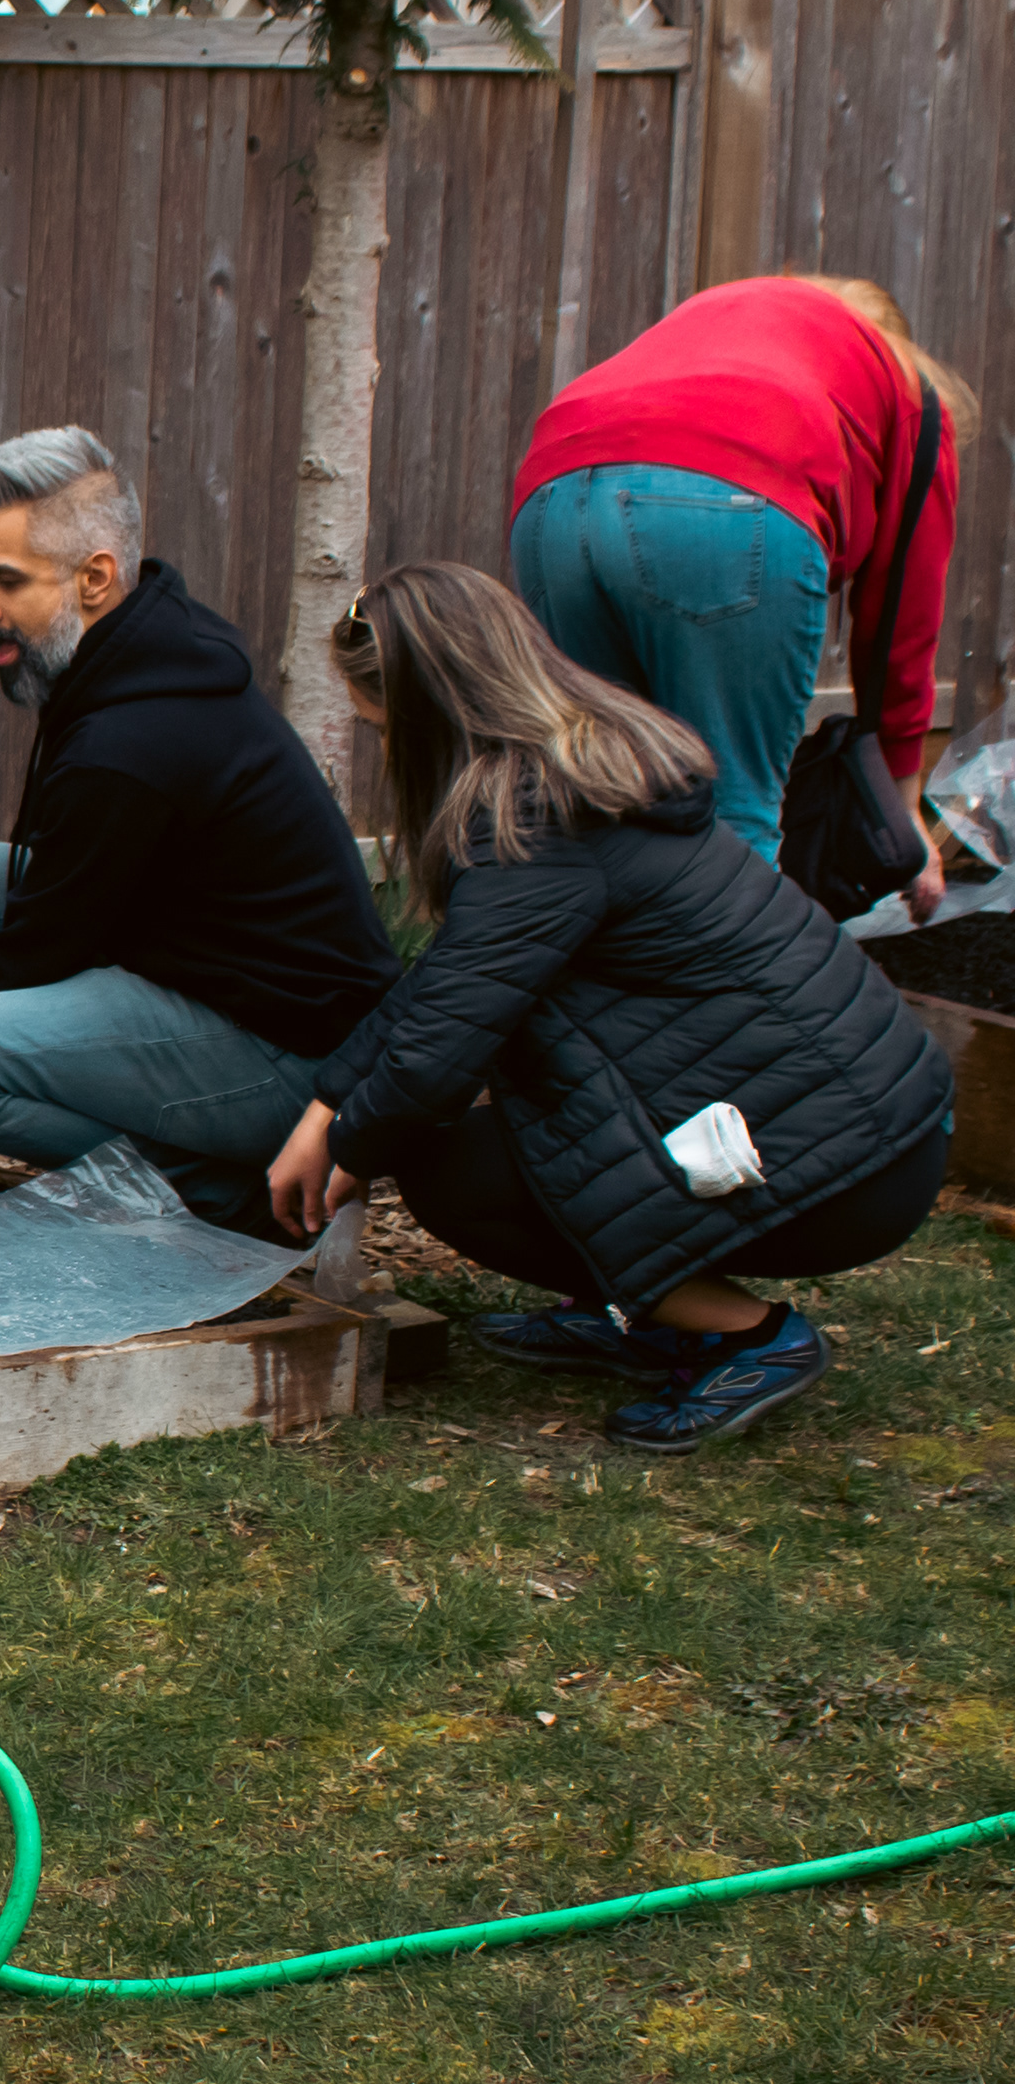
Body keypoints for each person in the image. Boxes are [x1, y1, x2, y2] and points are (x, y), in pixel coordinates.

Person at [268, 564, 953, 1447]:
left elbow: (436, 1058)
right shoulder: (585, 775)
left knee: (451, 1171)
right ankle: (643, 1310)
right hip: (871, 1125)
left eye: (387, 725)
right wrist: (330, 1099)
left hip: (853, 1163)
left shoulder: (537, 823)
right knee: (512, 1131)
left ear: (434, 707)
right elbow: (446, 985)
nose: (389, 749)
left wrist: (344, 1150)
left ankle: (749, 1336)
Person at [0, 426, 401, 1229]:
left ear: (94, 577)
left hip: (295, 1064)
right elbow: (45, 903)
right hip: (206, 980)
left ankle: (225, 1191)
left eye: (6, 581)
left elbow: (43, 943)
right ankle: (199, 1161)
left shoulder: (135, 740)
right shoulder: (145, 646)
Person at [509, 273, 980, 899]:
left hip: (551, 494)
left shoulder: (726, 313)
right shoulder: (910, 395)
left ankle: (594, 992)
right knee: (734, 825)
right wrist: (905, 814)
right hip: (725, 493)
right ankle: (728, 996)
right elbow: (902, 616)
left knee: (597, 809)